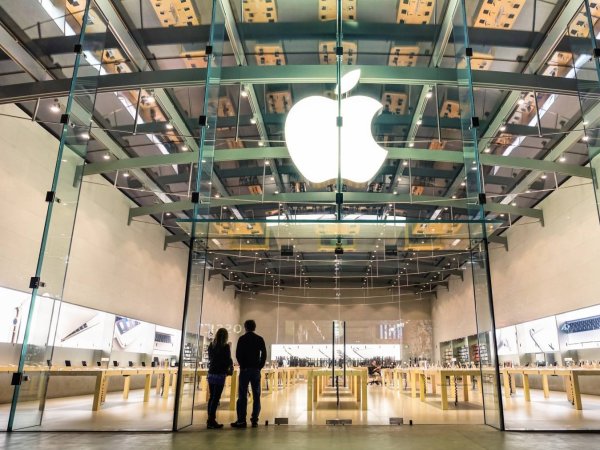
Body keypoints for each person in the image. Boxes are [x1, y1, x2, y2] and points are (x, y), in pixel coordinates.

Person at [231, 319, 266, 428]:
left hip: (245, 370)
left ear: (245, 327)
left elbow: (238, 354)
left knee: (242, 395)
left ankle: (241, 420)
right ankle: (254, 420)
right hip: (255, 370)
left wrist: (243, 366)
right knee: (256, 395)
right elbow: (264, 354)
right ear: (254, 327)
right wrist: (259, 366)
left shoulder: (242, 339)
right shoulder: (259, 339)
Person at [206, 328, 233, 429]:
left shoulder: (211, 345)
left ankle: (210, 419)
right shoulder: (225, 347)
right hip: (220, 374)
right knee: (216, 398)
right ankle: (211, 420)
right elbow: (227, 360)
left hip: (211, 373)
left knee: (212, 397)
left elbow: (210, 358)